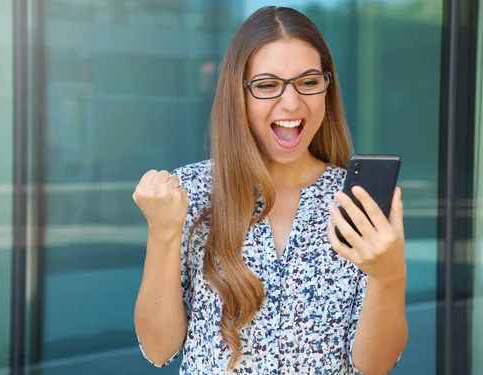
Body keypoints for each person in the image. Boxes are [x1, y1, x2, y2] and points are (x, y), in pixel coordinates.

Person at [132, 5, 407, 374]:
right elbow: (158, 350)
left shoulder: (355, 201)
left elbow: (375, 366)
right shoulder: (191, 194)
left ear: (327, 87)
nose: (291, 103)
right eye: (266, 85)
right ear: (238, 94)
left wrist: (389, 274)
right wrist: (162, 233)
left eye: (309, 82)